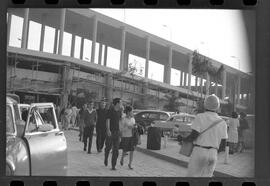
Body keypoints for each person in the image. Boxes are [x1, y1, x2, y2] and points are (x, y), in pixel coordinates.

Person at [184, 94, 228, 177]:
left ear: (205, 105)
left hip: (199, 151)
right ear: (217, 107)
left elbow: (194, 135)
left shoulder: (200, 117)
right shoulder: (223, 122)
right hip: (213, 154)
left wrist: (184, 139)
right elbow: (223, 145)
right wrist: (213, 151)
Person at [104, 98, 123, 170]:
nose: (121, 104)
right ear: (117, 103)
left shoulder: (119, 112)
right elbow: (107, 120)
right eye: (120, 102)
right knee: (108, 147)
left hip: (117, 132)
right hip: (111, 132)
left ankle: (113, 165)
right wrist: (108, 130)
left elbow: (120, 122)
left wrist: (121, 132)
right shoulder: (110, 111)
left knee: (116, 149)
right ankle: (106, 158)